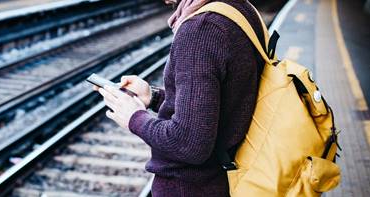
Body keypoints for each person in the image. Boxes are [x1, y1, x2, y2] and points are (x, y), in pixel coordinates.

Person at [94, 0, 266, 196]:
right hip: (228, 176)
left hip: (192, 187)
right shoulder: (239, 8)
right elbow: (223, 100)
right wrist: (154, 96)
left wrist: (134, 118)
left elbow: (188, 143)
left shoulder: (201, 29)